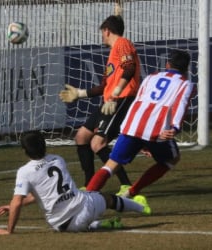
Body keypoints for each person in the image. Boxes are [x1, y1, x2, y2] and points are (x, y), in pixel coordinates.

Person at [0, 131, 150, 235]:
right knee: (106, 198)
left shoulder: (24, 172)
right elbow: (22, 201)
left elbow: (24, 200)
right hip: (86, 207)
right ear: (44, 146)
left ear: (25, 151)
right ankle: (141, 208)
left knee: (84, 216)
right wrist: (12, 211)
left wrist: (9, 228)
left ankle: (99, 225)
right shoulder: (58, 159)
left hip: (63, 225)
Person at [85, 49, 194, 199]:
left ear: (167, 64)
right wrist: (174, 128)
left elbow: (138, 100)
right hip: (156, 130)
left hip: (132, 125)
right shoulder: (185, 84)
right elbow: (180, 105)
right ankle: (131, 192)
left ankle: (86, 198)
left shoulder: (151, 77)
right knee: (172, 159)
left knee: (111, 165)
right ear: (186, 68)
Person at [59, 15, 141, 194]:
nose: (102, 37)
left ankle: (126, 185)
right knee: (81, 137)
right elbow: (104, 86)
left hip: (121, 99)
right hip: (109, 101)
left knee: (98, 143)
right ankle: (90, 185)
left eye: (102, 33)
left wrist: (116, 93)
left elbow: (130, 68)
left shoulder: (122, 43)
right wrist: (79, 94)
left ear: (107, 30)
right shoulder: (113, 53)